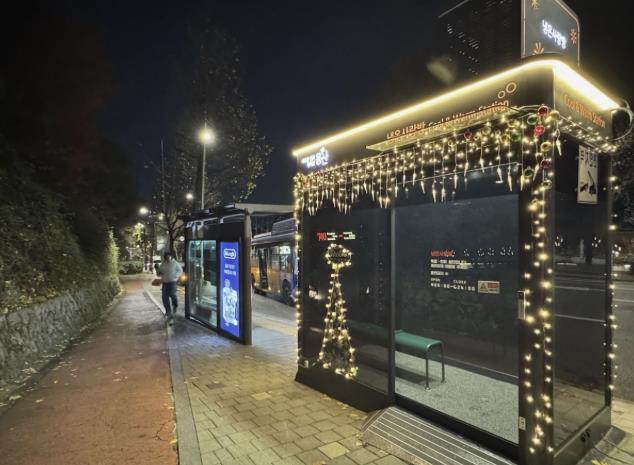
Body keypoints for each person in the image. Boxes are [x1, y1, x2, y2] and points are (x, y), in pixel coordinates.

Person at [158, 252, 183, 325]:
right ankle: (168, 311)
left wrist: (176, 275)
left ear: (171, 257)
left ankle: (175, 304)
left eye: (169, 257)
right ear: (165, 258)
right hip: (165, 283)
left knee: (172, 294)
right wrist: (159, 273)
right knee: (164, 297)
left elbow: (180, 271)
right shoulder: (163, 264)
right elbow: (160, 271)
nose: (168, 258)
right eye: (166, 257)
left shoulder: (175, 263)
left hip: (173, 282)